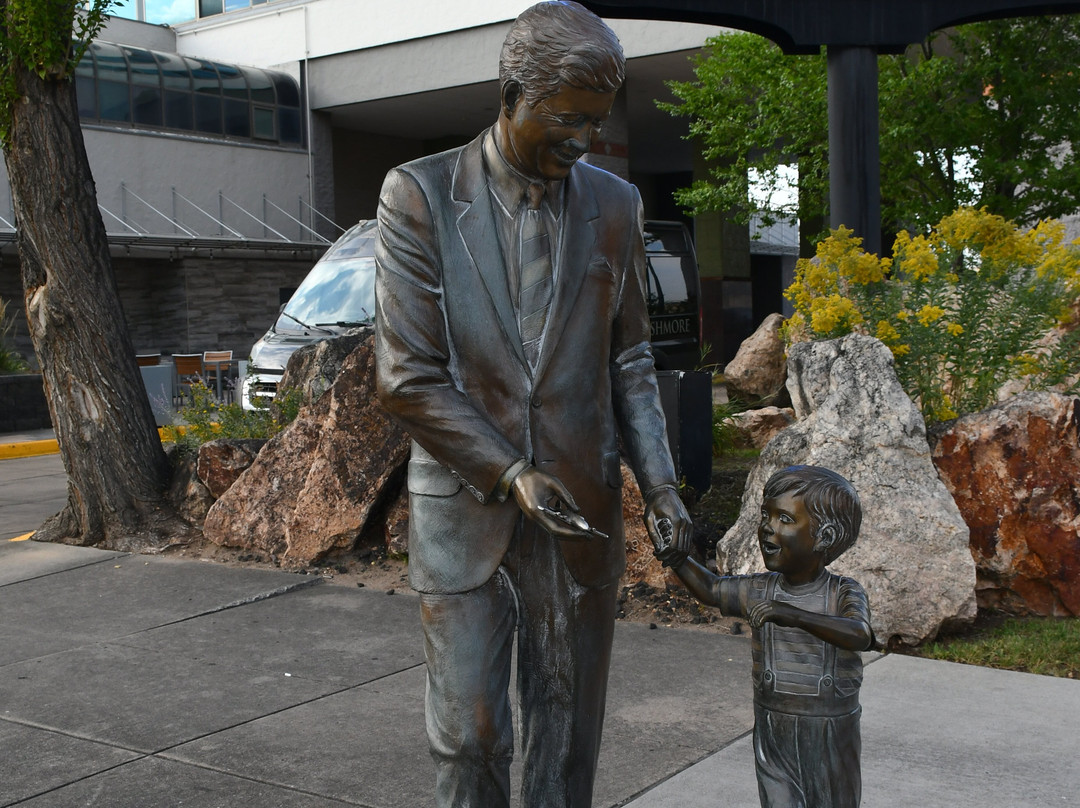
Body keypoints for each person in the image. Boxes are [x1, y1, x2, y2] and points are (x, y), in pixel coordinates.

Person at [373, 2, 692, 806]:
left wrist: (660, 488)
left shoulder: (615, 207)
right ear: (512, 92)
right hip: (467, 511)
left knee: (566, 741)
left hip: (581, 512)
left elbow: (632, 361)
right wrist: (512, 471)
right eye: (567, 119)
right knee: (471, 735)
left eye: (596, 122)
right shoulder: (420, 196)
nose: (583, 140)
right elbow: (406, 376)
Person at [656, 465, 873, 808]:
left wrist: (790, 614)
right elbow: (712, 589)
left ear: (825, 536)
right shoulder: (758, 589)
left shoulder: (842, 592)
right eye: (765, 515)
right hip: (774, 725)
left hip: (830, 729)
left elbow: (859, 634)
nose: (768, 528)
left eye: (785, 519)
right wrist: (677, 556)